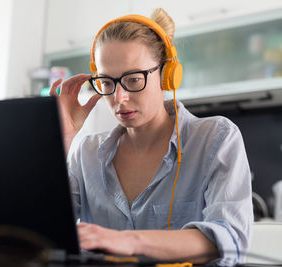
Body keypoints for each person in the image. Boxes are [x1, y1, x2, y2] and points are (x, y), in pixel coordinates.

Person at [49, 8, 253, 266]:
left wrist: (128, 241)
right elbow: (38, 232)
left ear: (167, 75)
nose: (119, 98)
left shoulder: (215, 139)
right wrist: (62, 140)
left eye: (133, 79)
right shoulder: (86, 152)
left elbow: (230, 238)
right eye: (107, 83)